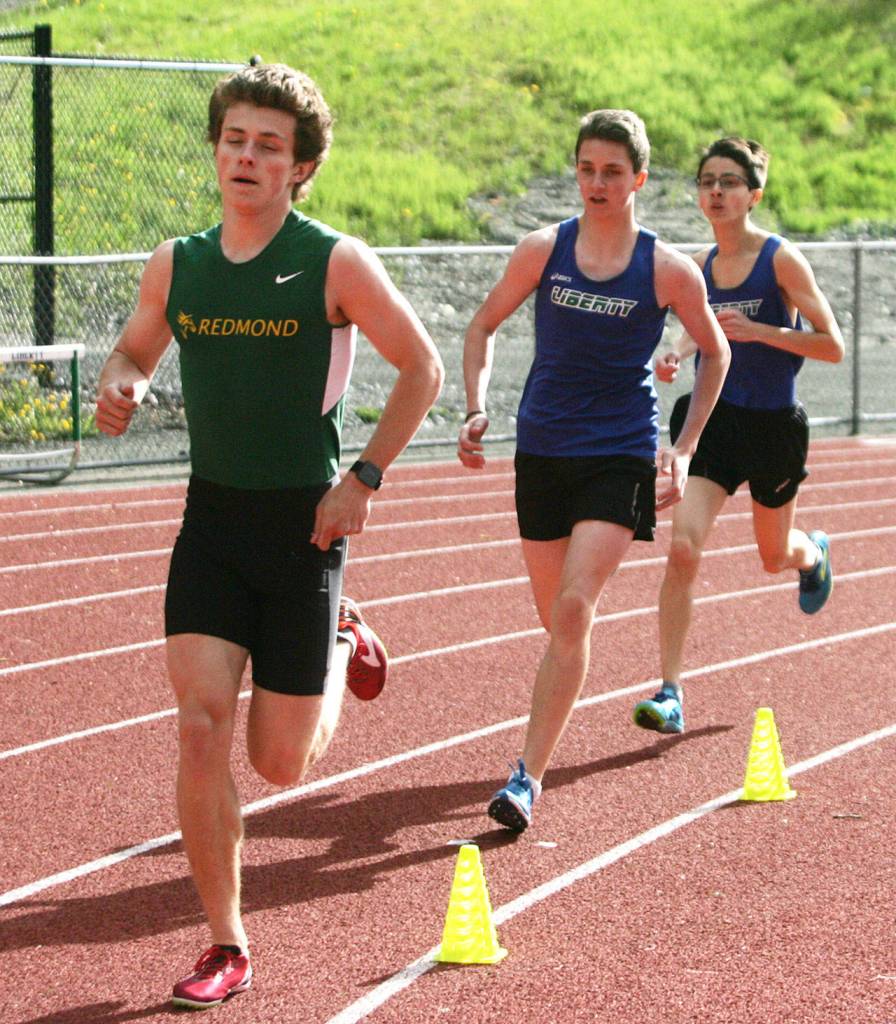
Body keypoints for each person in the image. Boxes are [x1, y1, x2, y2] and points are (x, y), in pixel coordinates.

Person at [95, 62, 443, 1009]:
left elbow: (422, 368)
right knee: (202, 726)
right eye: (235, 139)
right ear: (216, 149)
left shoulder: (334, 262)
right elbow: (135, 345)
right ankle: (225, 943)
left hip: (304, 528)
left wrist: (362, 479)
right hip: (212, 522)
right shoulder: (180, 262)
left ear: (302, 168)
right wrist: (122, 380)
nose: (247, 156)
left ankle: (336, 637)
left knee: (280, 761)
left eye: (269, 146)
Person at [457, 109, 730, 833]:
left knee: (574, 610)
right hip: (543, 448)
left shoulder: (667, 269)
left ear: (639, 178)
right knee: (558, 622)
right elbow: (482, 326)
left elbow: (715, 354)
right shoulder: (543, 251)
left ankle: (525, 778)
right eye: (587, 169)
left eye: (614, 171)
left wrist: (686, 446)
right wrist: (477, 406)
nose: (598, 182)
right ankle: (564, 690)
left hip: (619, 450)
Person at [633, 136, 844, 736]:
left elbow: (832, 346)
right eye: (707, 181)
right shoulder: (697, 266)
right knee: (682, 547)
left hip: (774, 425)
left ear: (753, 195)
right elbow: (700, 331)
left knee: (772, 556)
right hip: (714, 423)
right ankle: (671, 691)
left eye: (728, 182)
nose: (716, 191)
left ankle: (813, 553)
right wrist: (673, 355)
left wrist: (760, 331)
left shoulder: (780, 260)